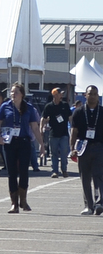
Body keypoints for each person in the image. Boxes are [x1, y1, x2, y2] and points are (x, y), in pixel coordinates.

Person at [0, 84, 43, 213]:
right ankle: (14, 203)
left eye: (15, 92)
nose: (13, 94)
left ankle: (24, 201)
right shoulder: (5, 106)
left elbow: (35, 128)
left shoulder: (29, 108)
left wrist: (42, 144)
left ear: (22, 94)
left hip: (24, 141)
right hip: (10, 142)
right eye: (11, 92)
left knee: (24, 171)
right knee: (12, 173)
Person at [76, 87, 103, 215]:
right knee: (85, 177)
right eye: (90, 94)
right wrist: (72, 148)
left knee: (99, 176)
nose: (92, 96)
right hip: (83, 147)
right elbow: (74, 131)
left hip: (99, 147)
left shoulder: (102, 111)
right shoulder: (79, 112)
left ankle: (99, 203)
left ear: (98, 96)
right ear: (85, 95)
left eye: (95, 94)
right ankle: (88, 205)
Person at [43, 87, 72, 179]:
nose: (61, 95)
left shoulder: (65, 105)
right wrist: (42, 127)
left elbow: (70, 118)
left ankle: (64, 170)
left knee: (64, 152)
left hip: (64, 133)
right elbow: (44, 118)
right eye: (60, 94)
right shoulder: (49, 106)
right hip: (53, 133)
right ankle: (55, 171)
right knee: (53, 153)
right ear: (55, 95)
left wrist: (73, 128)